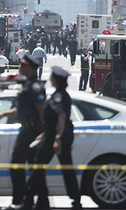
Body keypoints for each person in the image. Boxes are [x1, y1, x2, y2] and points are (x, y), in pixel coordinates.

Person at [17, 66, 82, 210]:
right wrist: (43, 135)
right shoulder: (60, 94)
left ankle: (27, 201)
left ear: (56, 80)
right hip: (55, 134)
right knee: (67, 168)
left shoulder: (58, 96)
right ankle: (76, 200)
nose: (50, 79)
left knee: (38, 166)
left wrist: (56, 139)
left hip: (55, 136)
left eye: (52, 77)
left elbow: (61, 117)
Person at [0, 54, 47, 210]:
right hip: (28, 130)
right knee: (35, 170)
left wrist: (43, 132)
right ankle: (39, 203)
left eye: (22, 65)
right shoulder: (28, 84)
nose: (19, 67)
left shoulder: (34, 86)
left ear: (29, 68)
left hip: (31, 132)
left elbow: (41, 108)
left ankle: (18, 201)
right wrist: (4, 114)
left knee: (16, 166)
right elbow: (22, 109)